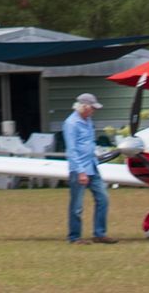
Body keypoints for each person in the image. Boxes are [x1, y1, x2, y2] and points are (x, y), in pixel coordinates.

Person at [64, 93, 115, 243]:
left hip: (92, 166)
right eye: (92, 108)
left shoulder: (88, 121)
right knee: (77, 205)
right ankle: (74, 237)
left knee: (103, 199)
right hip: (80, 170)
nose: (93, 111)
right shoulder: (71, 123)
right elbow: (72, 150)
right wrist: (80, 172)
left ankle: (99, 233)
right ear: (84, 107)